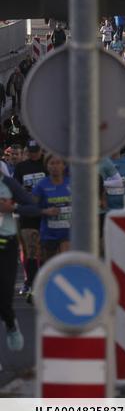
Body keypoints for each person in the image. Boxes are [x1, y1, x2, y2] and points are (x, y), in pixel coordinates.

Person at [0, 171, 35, 352]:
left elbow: (32, 205)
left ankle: (11, 323)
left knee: (5, 296)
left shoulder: (8, 183)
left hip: (6, 244)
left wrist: (12, 208)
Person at [13, 141, 46, 297]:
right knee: (30, 250)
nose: (34, 154)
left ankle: (44, 280)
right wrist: (24, 192)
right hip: (27, 214)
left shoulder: (48, 164)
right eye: (31, 151)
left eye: (36, 151)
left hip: (45, 213)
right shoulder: (21, 167)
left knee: (45, 250)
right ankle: (30, 283)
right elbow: (15, 189)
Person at [33, 155, 72, 262]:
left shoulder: (72, 183)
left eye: (58, 163)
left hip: (68, 232)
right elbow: (31, 207)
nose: (55, 166)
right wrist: (45, 211)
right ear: (47, 166)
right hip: (49, 233)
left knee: (65, 262)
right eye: (52, 163)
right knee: (51, 265)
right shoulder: (41, 185)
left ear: (64, 166)